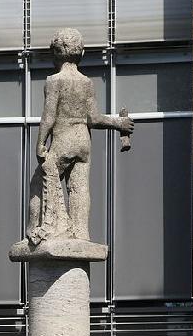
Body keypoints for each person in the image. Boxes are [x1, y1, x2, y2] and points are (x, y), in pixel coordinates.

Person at [27, 27, 134, 245]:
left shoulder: (55, 81)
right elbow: (94, 119)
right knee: (80, 188)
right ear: (82, 53)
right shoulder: (86, 82)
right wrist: (118, 123)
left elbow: (48, 116)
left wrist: (40, 143)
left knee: (38, 182)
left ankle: (33, 231)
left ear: (54, 53)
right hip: (83, 142)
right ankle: (81, 233)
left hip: (63, 139)